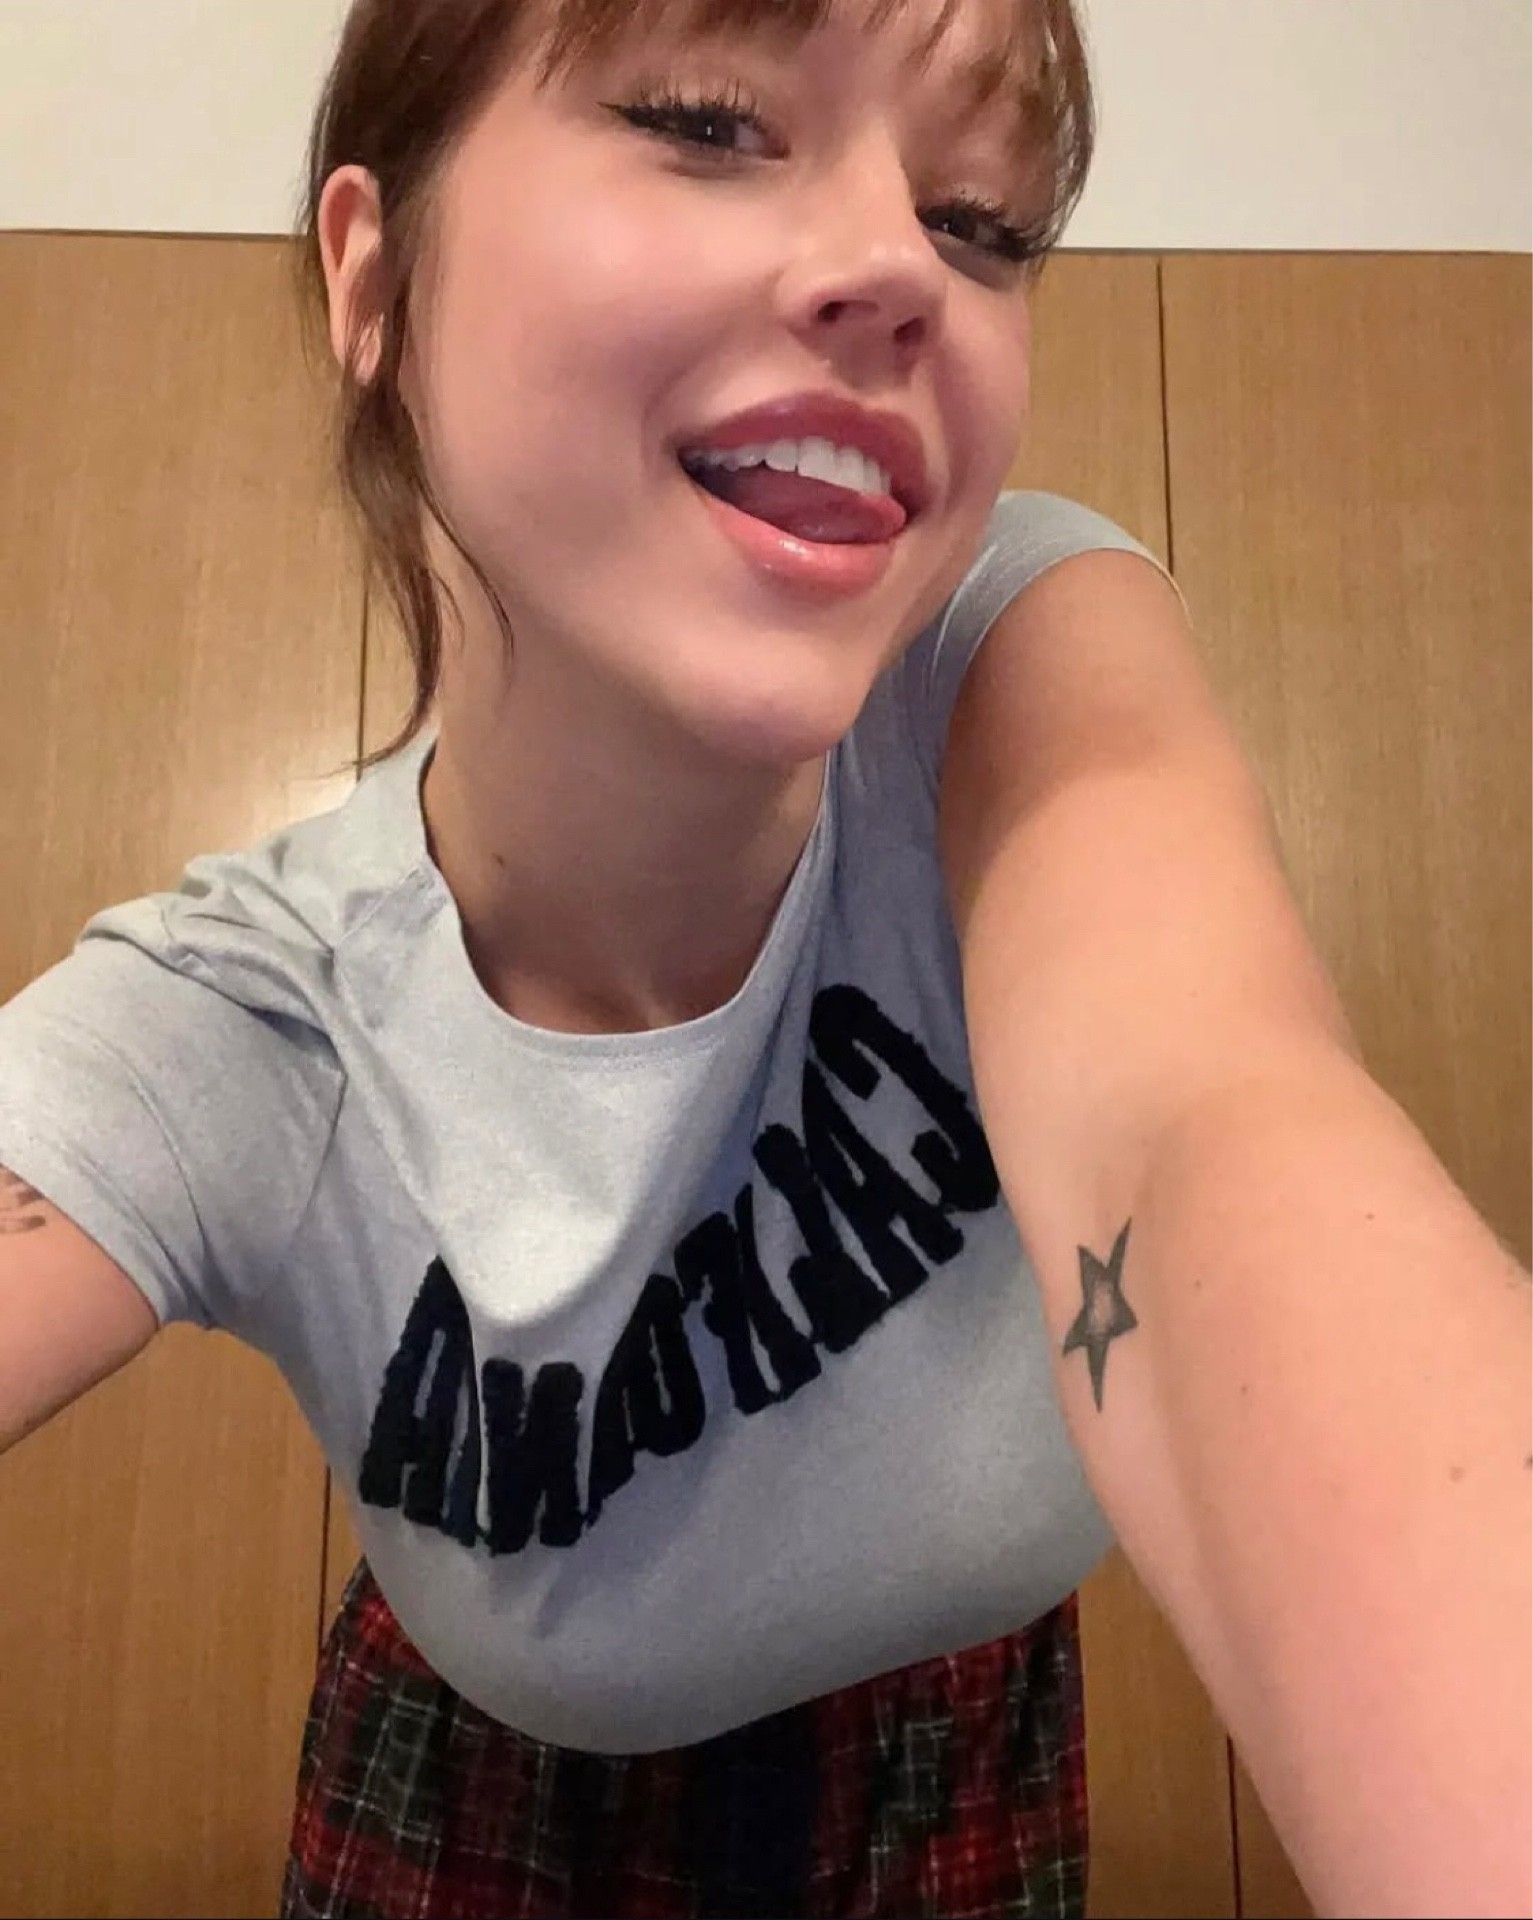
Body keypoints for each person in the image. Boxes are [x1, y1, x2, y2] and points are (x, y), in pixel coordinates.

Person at [0, 0, 1527, 1913]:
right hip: (492, 1797)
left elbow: (1206, 1117)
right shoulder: (241, 1022)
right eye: (706, 122)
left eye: (980, 221)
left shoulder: (1006, 676)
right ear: (373, 280)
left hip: (968, 1748)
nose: (901, 267)